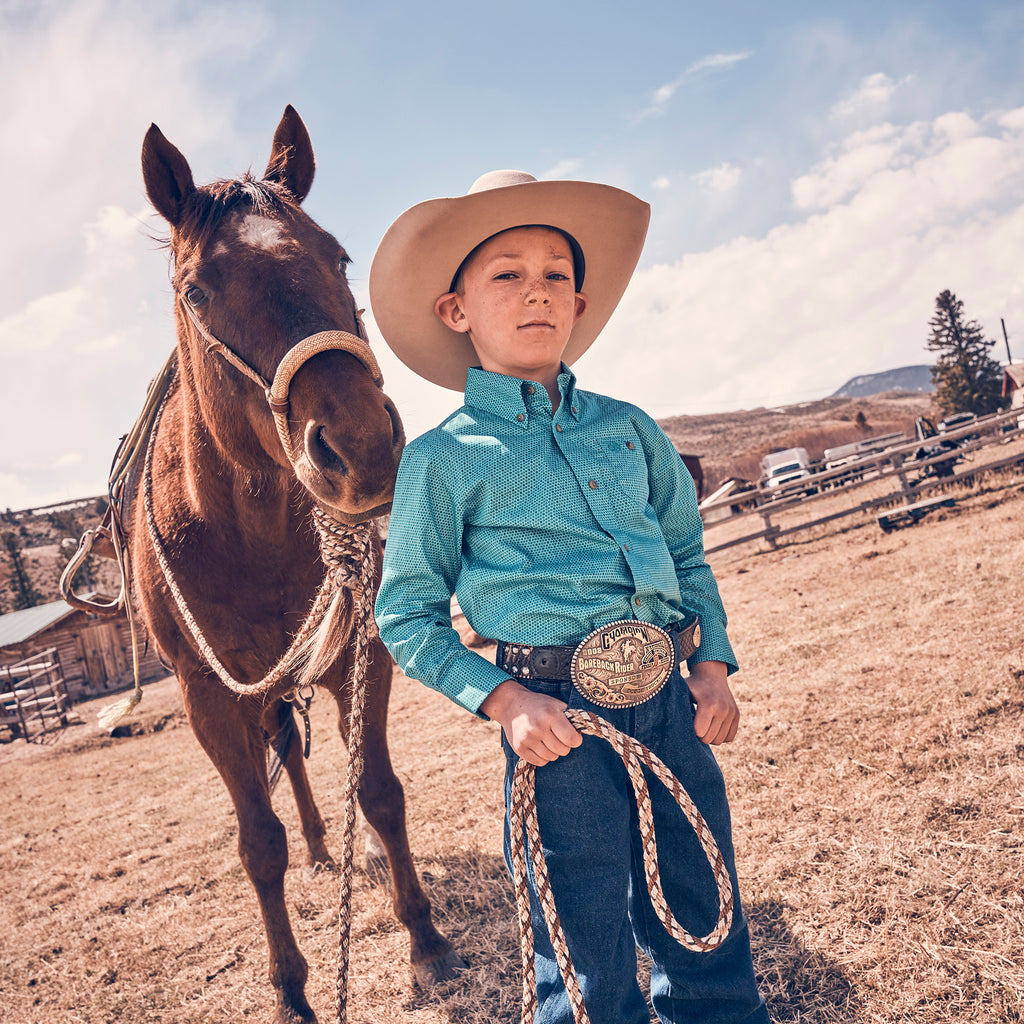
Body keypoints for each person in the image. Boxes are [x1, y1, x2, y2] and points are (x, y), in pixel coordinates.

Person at [370, 170, 769, 1024]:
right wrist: (504, 700)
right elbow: (404, 616)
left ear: (579, 305)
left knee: (704, 903)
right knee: (582, 945)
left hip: (669, 702)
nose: (538, 292)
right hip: (556, 720)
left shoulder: (629, 428)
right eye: (507, 274)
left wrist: (712, 665)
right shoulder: (442, 460)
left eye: (556, 275)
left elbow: (687, 556)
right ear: (456, 310)